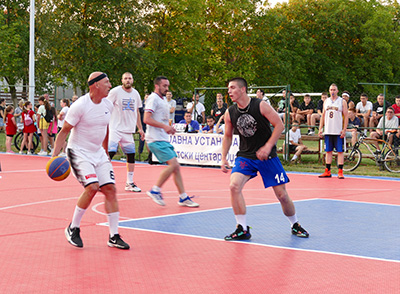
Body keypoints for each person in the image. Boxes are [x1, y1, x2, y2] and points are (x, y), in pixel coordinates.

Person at [221, 77, 309, 241]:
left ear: (243, 89)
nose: (229, 91)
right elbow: (227, 136)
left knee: (282, 195)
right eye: (228, 88)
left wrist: (268, 146)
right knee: (234, 186)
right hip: (245, 156)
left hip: (267, 156)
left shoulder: (260, 105)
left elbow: (280, 125)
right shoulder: (230, 112)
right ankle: (242, 228)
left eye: (232, 88)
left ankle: (295, 224)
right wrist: (223, 157)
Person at [53, 71, 130, 249]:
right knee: (93, 187)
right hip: (79, 152)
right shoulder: (80, 106)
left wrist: (106, 152)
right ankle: (73, 228)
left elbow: (105, 128)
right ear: (96, 85)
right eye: (107, 82)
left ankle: (114, 236)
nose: (110, 86)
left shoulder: (108, 105)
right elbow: (64, 131)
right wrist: (54, 156)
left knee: (110, 189)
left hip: (98, 153)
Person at [144, 76, 199, 208]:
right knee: (173, 165)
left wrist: (169, 128)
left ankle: (183, 197)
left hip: (163, 138)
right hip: (155, 139)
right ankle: (155, 190)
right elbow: (146, 118)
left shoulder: (162, 100)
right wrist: (164, 127)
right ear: (157, 86)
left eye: (168, 86)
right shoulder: (153, 98)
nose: (167, 88)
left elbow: (161, 120)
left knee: (176, 168)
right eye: (164, 86)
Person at [107, 72, 145, 192]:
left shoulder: (136, 93)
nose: (127, 80)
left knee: (131, 155)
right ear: (122, 80)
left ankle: (129, 183)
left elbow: (137, 112)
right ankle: (102, 180)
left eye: (129, 78)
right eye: (125, 78)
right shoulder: (115, 91)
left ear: (132, 80)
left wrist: (140, 128)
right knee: (110, 152)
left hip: (128, 130)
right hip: (115, 128)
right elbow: (106, 105)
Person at [318, 84, 348, 179]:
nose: (332, 91)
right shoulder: (326, 101)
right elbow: (323, 115)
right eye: (331, 90)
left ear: (337, 91)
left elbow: (346, 116)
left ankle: (340, 171)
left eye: (334, 89)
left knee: (340, 151)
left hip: (338, 130)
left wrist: (344, 129)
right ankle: (327, 171)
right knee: (328, 151)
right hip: (328, 130)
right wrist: (320, 129)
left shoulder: (342, 101)